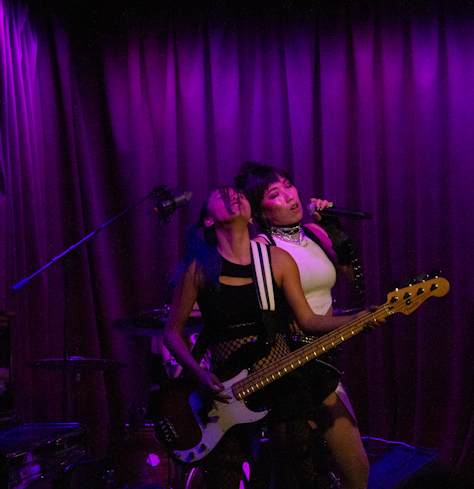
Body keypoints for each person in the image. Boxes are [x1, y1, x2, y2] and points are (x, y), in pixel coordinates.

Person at [163, 186, 382, 489]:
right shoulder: (199, 268)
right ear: (209, 221)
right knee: (223, 476)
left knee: (300, 471)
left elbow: (307, 320)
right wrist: (199, 373)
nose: (231, 196)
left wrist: (356, 319)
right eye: (219, 196)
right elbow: (172, 333)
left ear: (252, 215)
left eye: (236, 193)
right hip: (226, 391)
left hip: (281, 380)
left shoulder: (277, 260)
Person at [235, 162, 369, 489]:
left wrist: (337, 233)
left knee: (355, 473)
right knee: (300, 473)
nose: (290, 196)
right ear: (261, 211)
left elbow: (355, 284)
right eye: (274, 194)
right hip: (291, 368)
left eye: (288, 186)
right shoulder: (262, 250)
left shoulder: (315, 233)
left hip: (325, 361)